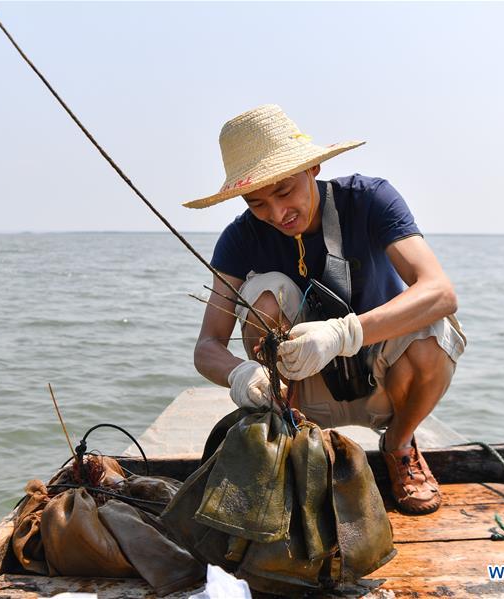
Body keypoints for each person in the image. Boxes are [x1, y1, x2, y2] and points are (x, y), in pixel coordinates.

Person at [185, 104, 467, 515]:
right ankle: (296, 442)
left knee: (433, 327)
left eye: (284, 191)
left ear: (313, 168)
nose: (278, 214)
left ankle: (400, 443)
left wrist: (343, 334)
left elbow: (440, 291)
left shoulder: (370, 199)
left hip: (385, 381)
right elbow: (206, 345)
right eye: (257, 203)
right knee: (267, 292)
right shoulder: (238, 239)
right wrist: (239, 373)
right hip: (300, 390)